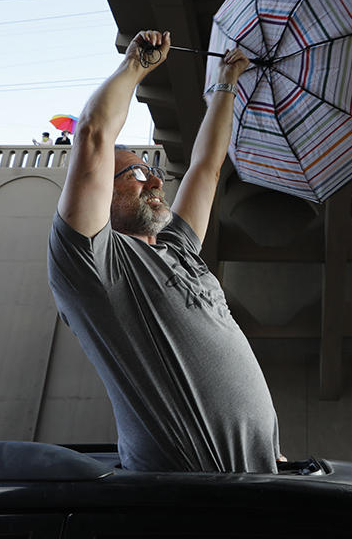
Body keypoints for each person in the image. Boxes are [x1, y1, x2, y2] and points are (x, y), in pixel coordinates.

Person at [47, 29, 281, 473]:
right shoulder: (93, 264)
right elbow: (93, 135)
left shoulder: (179, 249)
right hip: (185, 495)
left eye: (152, 170)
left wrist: (227, 83)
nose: (155, 181)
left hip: (261, 477)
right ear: (99, 194)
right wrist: (136, 65)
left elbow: (207, 169)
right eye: (134, 174)